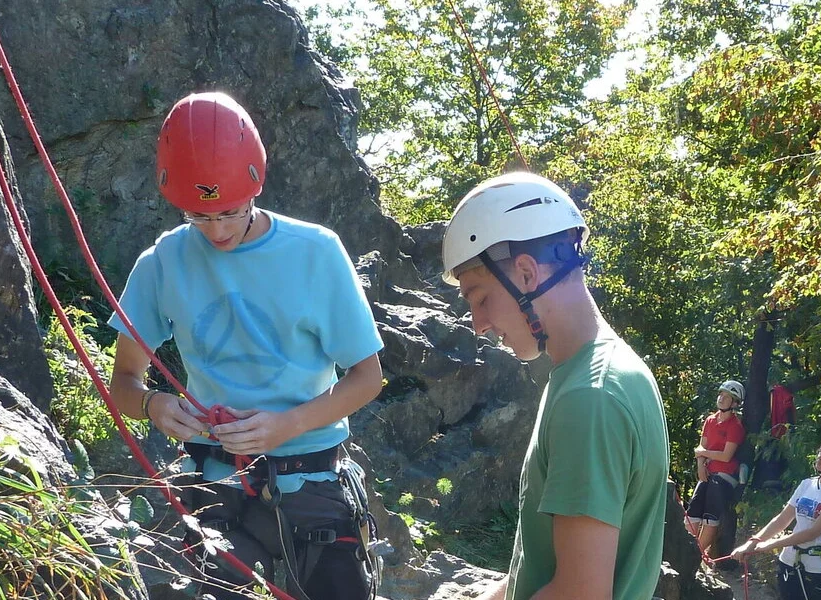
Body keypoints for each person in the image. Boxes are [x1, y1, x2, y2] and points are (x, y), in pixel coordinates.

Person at [106, 91, 385, 600]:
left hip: (311, 474)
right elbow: (122, 383)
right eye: (198, 216)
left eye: (230, 212)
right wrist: (153, 404)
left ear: (255, 184)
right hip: (213, 482)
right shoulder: (163, 262)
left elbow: (368, 377)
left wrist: (288, 424)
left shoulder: (316, 252)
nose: (216, 230)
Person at [441, 171, 670, 600]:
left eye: (480, 297)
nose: (479, 324)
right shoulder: (597, 374)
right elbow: (542, 562)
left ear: (526, 274)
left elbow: (579, 593)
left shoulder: (591, 397)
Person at [729, 432, 821, 600]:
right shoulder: (807, 484)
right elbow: (783, 519)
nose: (820, 457)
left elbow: (812, 533)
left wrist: (770, 545)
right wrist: (754, 541)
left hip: (819, 571)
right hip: (788, 563)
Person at [685, 380, 745, 560]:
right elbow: (700, 448)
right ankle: (685, 550)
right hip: (708, 471)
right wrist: (700, 467)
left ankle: (696, 556)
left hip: (725, 476)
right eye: (721, 394)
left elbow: (726, 456)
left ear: (734, 403)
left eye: (726, 397)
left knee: (710, 516)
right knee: (693, 511)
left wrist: (704, 454)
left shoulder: (735, 427)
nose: (721, 398)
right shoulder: (710, 420)